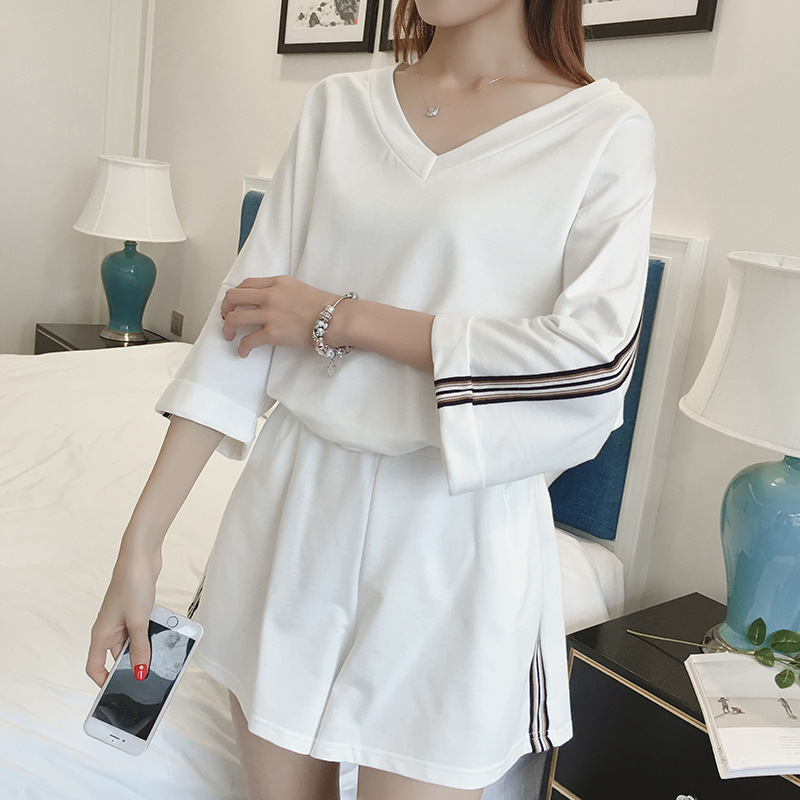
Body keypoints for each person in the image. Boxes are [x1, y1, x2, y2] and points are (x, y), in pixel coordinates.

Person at [87, 1, 655, 798]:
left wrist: (340, 317)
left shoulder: (603, 132)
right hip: (292, 509)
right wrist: (140, 541)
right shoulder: (340, 107)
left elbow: (591, 365)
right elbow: (239, 325)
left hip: (453, 538)